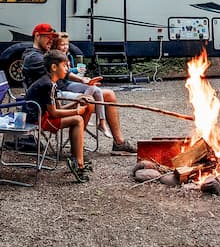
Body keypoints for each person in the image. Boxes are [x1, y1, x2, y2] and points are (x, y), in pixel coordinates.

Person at [22, 23, 137, 154]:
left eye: (52, 37)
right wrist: (82, 80)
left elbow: (63, 71)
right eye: (48, 37)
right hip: (51, 99)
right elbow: (62, 73)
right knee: (89, 102)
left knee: (108, 95)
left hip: (61, 91)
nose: (52, 40)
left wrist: (84, 80)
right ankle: (77, 148)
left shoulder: (44, 53)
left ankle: (119, 142)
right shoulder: (34, 57)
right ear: (37, 36)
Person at [24, 50, 92, 182]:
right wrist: (77, 112)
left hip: (43, 115)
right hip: (37, 119)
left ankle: (77, 160)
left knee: (77, 119)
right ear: (54, 67)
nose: (67, 69)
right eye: (65, 66)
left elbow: (59, 108)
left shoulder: (51, 82)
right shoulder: (48, 85)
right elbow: (55, 113)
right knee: (77, 119)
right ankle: (79, 163)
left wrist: (77, 101)